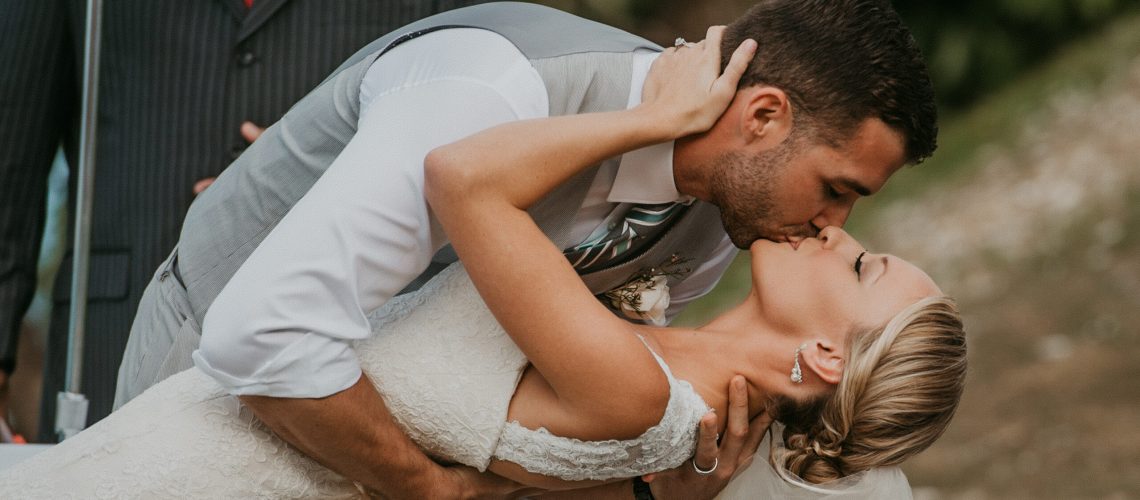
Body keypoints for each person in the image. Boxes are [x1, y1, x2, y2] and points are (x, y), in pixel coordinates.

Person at [0, 29, 964, 497]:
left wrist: (653, 121)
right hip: (214, 372)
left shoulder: (670, 370)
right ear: (762, 118)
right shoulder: (493, 83)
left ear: (828, 361)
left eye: (858, 249)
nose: (831, 225)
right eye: (838, 191)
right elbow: (272, 330)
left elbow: (465, 191)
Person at [0, 0, 486, 440]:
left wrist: (315, 179)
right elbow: (9, 159)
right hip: (113, 333)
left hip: (351, 342)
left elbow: (475, 129)